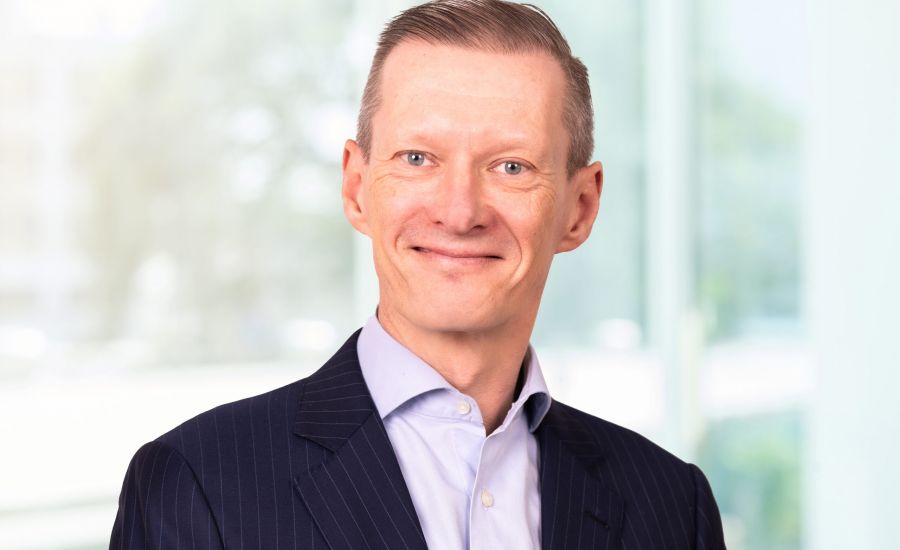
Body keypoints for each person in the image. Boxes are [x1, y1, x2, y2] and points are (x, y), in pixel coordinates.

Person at [110, 1, 726, 548]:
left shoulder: (673, 507)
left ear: (580, 207)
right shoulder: (200, 485)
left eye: (511, 167)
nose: (460, 212)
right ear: (357, 188)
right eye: (417, 158)